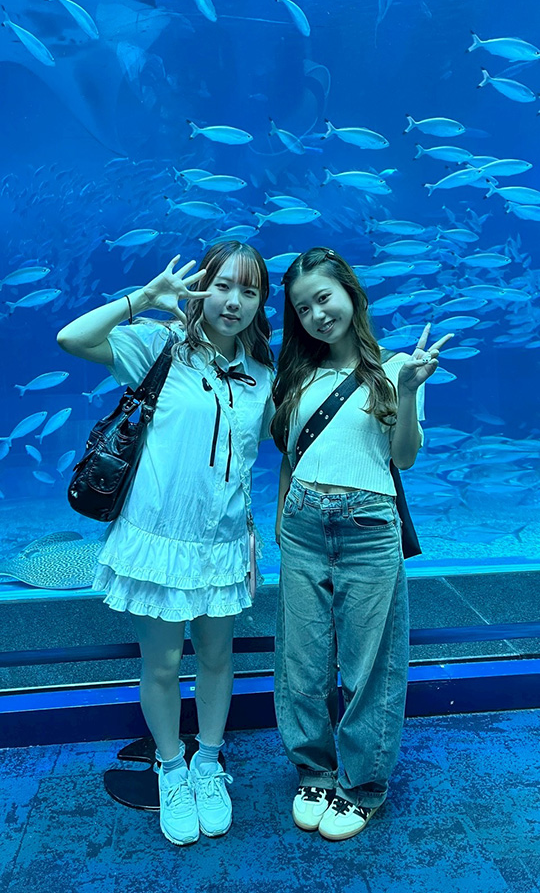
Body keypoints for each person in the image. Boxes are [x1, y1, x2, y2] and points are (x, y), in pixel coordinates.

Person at [57, 241, 275, 847]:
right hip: (158, 541)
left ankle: (208, 761)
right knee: (163, 662)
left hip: (223, 545)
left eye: (249, 291)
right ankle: (170, 766)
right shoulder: (160, 346)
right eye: (222, 285)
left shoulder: (262, 376)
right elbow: (72, 340)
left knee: (217, 658)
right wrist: (144, 298)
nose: (233, 301)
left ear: (260, 303)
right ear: (201, 287)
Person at [271, 247, 452, 842]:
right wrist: (280, 522)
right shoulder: (296, 374)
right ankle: (314, 770)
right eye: (302, 308)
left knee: (369, 664)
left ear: (350, 292)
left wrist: (408, 389)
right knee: (302, 659)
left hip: (369, 527)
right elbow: (289, 456)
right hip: (301, 525)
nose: (316, 315)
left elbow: (404, 457)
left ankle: (363, 784)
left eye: (323, 298)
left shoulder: (396, 367)